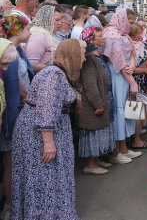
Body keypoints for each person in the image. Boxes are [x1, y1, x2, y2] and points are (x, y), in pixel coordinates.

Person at [11, 39, 85, 219]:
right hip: (40, 135)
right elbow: (45, 109)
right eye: (82, 54)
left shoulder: (57, 73)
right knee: (44, 176)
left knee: (49, 176)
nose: (84, 58)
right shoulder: (54, 75)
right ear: (73, 56)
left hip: (48, 129)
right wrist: (49, 142)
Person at [0, 15, 34, 219]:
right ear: (16, 30)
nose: (30, 33)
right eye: (27, 29)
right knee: (12, 162)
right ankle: (11, 206)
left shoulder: (16, 51)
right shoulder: (8, 55)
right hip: (15, 115)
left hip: (20, 111)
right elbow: (19, 91)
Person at [100, 9, 141, 164]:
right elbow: (118, 61)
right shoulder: (112, 34)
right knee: (119, 109)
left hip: (124, 72)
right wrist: (132, 81)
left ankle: (123, 147)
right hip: (117, 73)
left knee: (125, 108)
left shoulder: (121, 33)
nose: (130, 26)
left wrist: (132, 64)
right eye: (129, 22)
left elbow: (131, 53)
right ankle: (116, 151)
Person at [78, 27, 115, 175]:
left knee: (98, 132)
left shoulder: (94, 57)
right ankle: (90, 164)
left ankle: (96, 159)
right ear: (91, 40)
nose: (104, 38)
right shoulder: (87, 59)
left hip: (99, 99)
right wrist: (98, 103)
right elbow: (90, 84)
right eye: (100, 36)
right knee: (91, 134)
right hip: (90, 105)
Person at [25, 5, 64, 73]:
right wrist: (57, 69)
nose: (61, 23)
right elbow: (31, 64)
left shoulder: (49, 34)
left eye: (61, 20)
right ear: (46, 19)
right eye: (57, 20)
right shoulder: (39, 35)